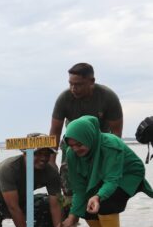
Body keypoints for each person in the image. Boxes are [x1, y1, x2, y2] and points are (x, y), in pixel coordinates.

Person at [56, 116, 153, 227]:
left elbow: (112, 180)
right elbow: (79, 189)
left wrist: (98, 196)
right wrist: (72, 217)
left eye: (79, 144)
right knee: (86, 208)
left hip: (128, 175)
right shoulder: (71, 154)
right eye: (71, 145)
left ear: (89, 137)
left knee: (106, 203)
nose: (76, 149)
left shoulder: (110, 145)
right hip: (102, 176)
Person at [49, 63, 123, 212]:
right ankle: (72, 221)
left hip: (101, 144)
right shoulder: (65, 98)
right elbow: (55, 131)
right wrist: (52, 160)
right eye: (70, 84)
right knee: (69, 184)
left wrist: (112, 160)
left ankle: (101, 215)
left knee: (101, 183)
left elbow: (116, 134)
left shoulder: (108, 97)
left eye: (78, 85)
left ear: (91, 81)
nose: (73, 89)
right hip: (72, 144)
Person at [0, 134, 64, 227]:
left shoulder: (51, 172)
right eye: (38, 154)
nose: (43, 158)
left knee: (61, 205)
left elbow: (56, 205)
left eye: (47, 154)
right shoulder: (9, 167)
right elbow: (13, 208)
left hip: (22, 201)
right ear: (25, 153)